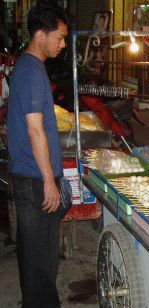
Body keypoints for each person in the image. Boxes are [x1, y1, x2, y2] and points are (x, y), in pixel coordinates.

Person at [7, 3, 68, 307]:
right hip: (34, 181)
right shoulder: (31, 71)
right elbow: (35, 130)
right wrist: (48, 181)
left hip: (33, 177)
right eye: (59, 37)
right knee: (39, 262)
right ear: (41, 34)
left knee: (41, 260)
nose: (63, 43)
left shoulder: (31, 66)